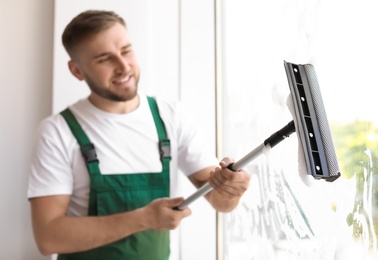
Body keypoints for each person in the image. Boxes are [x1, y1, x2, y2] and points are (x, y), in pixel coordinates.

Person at [28, 10, 250, 260]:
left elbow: (220, 202)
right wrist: (143, 219)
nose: (123, 67)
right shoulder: (58, 132)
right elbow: (48, 237)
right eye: (104, 59)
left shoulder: (171, 118)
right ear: (76, 70)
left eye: (126, 51)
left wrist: (232, 189)